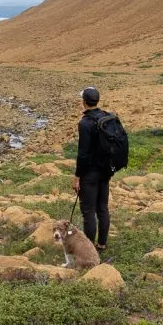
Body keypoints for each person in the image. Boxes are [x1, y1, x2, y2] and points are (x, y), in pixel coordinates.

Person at [74, 86, 111, 251]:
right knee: (102, 208)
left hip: (90, 173)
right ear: (97, 101)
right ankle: (102, 243)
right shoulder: (107, 117)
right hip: (106, 170)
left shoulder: (85, 123)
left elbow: (83, 154)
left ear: (84, 102)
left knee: (88, 211)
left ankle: (89, 248)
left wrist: (77, 176)